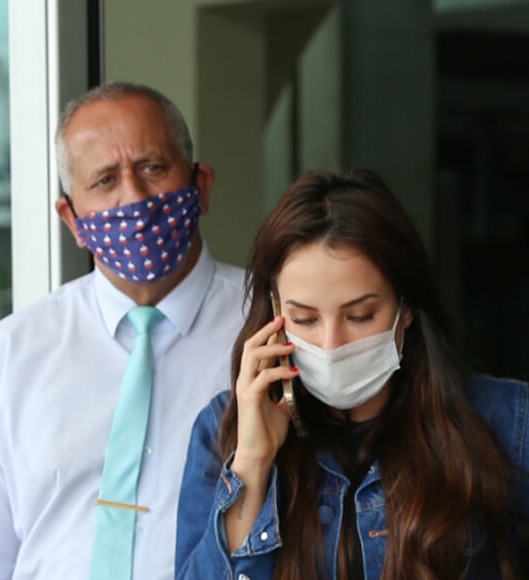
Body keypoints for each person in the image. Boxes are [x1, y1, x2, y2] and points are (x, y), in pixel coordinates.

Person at [0, 82, 246, 579]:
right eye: (104, 180)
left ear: (201, 184)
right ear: (71, 218)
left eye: (152, 168)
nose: (133, 197)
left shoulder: (272, 327)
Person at [175, 168, 529, 579]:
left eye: (359, 315)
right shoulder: (220, 433)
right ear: (274, 314)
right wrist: (253, 461)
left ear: (406, 307)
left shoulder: (501, 418)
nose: (331, 344)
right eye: (304, 319)